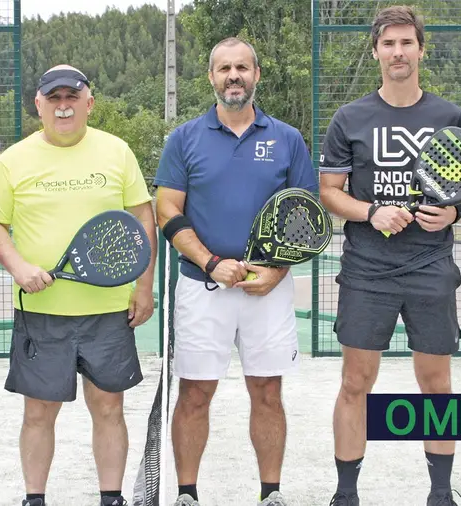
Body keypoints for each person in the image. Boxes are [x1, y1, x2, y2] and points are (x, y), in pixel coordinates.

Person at [317, 6, 461, 506]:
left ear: (421, 49)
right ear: (376, 52)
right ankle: (346, 495)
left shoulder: (448, 116)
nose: (398, 52)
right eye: (388, 44)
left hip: (431, 266)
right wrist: (371, 212)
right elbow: (329, 191)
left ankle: (441, 494)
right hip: (368, 270)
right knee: (355, 382)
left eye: (407, 42)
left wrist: (454, 214)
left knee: (436, 384)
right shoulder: (351, 118)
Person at [0, 64, 157, 506]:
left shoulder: (116, 151)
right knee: (38, 413)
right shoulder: (15, 159)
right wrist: (18, 266)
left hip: (107, 311)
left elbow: (142, 219)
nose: (63, 107)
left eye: (71, 97)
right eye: (53, 98)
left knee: (110, 408)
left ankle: (111, 498)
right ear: (38, 105)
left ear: (89, 104)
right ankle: (34, 499)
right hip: (41, 312)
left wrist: (144, 287)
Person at [154, 37, 319, 506]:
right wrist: (212, 262)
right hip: (201, 285)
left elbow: (304, 215)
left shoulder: (286, 138)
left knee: (267, 392)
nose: (233, 76)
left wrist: (277, 271)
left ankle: (271, 494)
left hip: (266, 291)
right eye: (224, 68)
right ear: (210, 77)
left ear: (256, 74)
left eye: (242, 67)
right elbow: (167, 209)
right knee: (195, 393)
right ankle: (187, 494)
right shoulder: (184, 138)